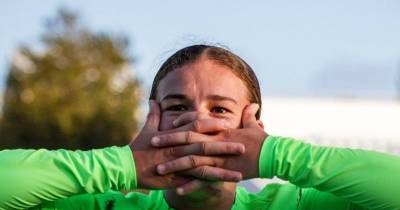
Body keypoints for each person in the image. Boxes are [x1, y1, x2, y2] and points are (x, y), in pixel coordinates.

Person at [1, 45, 400, 210]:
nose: (198, 121)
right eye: (177, 106)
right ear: (152, 119)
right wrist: (124, 165)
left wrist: (276, 155)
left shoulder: (295, 204)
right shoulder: (105, 203)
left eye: (220, 109)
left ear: (253, 124)